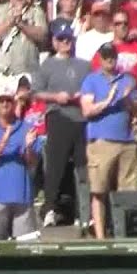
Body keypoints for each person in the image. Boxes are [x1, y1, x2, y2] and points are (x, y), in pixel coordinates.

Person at [80, 42, 137, 240]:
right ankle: (100, 236)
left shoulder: (127, 80)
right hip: (102, 141)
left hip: (127, 141)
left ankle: (124, 234)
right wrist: (108, 100)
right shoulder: (91, 80)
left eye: (112, 56)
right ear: (100, 58)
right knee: (99, 190)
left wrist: (128, 100)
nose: (110, 59)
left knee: (128, 192)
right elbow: (87, 110)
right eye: (106, 56)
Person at [34, 21, 90, 229]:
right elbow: (36, 92)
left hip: (82, 119)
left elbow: (93, 88)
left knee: (83, 168)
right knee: (55, 167)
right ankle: (50, 208)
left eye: (68, 38)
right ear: (54, 42)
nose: (66, 42)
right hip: (58, 116)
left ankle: (84, 212)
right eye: (61, 39)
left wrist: (81, 95)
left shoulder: (84, 65)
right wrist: (56, 97)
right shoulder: (47, 65)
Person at [0, 82, 43, 242]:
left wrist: (28, 147)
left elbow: (32, 162)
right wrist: (2, 145)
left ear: (14, 102)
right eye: (1, 100)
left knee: (26, 246)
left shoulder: (27, 128)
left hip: (22, 196)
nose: (5, 104)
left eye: (8, 100)